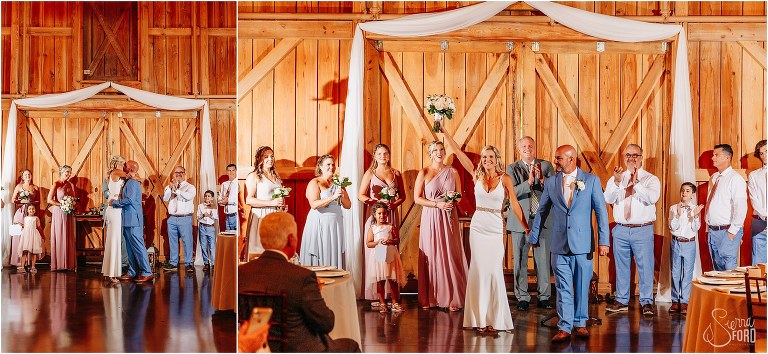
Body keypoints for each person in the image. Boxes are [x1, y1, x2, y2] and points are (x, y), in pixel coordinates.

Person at [442, 130, 527, 332]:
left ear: (497, 159)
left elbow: (514, 204)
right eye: (484, 156)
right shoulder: (476, 174)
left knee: (494, 271)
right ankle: (479, 319)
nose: (487, 159)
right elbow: (457, 151)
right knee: (479, 270)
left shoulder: (505, 178)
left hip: (496, 226)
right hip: (478, 226)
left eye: (491, 156)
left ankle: (494, 319)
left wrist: (525, 227)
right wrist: (444, 131)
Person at [238, 212, 360, 352]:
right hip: (300, 349)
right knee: (351, 346)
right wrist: (317, 295)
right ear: (291, 240)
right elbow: (326, 323)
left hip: (257, 348)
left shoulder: (241, 273)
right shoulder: (302, 277)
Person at [528, 145, 610, 343]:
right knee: (563, 286)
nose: (555, 161)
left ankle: (580, 323)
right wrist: (534, 236)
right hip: (559, 243)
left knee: (582, 285)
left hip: (583, 244)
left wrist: (604, 241)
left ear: (571, 159)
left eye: (558, 158)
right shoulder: (551, 182)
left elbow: (601, 212)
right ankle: (564, 326)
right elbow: (542, 211)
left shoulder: (591, 181)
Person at [603, 144, 661, 316]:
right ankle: (621, 299)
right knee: (621, 266)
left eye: (635, 155)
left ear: (641, 157)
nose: (631, 158)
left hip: (642, 229)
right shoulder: (618, 178)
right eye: (628, 155)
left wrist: (636, 183)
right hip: (620, 229)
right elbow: (608, 198)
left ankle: (646, 302)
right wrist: (615, 181)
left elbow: (651, 198)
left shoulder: (650, 179)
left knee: (645, 267)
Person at [414, 140, 467, 311]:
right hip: (431, 215)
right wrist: (437, 205)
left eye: (441, 149)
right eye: (435, 150)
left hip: (449, 215)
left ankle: (451, 297)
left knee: (449, 254)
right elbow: (417, 198)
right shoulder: (424, 172)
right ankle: (430, 297)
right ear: (430, 153)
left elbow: (459, 197)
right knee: (431, 254)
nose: (439, 152)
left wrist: (452, 197)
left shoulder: (453, 171)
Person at [505, 136, 555, 311]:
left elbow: (554, 189)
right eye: (524, 146)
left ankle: (544, 296)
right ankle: (523, 297)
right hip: (520, 220)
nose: (528, 148)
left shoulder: (546, 166)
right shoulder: (511, 168)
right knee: (520, 260)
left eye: (530, 146)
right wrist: (529, 183)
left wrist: (541, 180)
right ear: (519, 149)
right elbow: (512, 193)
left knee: (543, 260)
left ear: (535, 148)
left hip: (542, 220)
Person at [357, 143, 406, 305]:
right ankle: (376, 295)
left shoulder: (395, 173)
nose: (383, 156)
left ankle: (391, 295)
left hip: (390, 214)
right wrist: (376, 202)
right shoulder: (370, 173)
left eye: (386, 153)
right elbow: (361, 195)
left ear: (389, 155)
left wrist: (393, 204)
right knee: (376, 253)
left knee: (390, 250)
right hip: (375, 215)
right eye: (380, 154)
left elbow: (403, 196)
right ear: (375, 156)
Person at [299, 154, 350, 269]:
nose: (331, 167)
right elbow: (314, 204)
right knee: (320, 254)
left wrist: (341, 196)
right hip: (319, 222)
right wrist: (332, 197)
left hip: (335, 224)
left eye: (333, 164)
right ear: (320, 167)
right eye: (328, 164)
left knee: (333, 252)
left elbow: (348, 205)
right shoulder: (315, 182)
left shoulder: (339, 182)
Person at [705, 144, 747, 271]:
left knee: (729, 269)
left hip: (727, 230)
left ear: (727, 157)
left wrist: (732, 232)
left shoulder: (735, 179)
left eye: (716, 155)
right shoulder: (714, 178)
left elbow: (740, 207)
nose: (713, 158)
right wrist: (708, 228)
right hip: (713, 231)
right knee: (717, 270)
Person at [111, 160, 153, 283]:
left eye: (125, 165)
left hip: (134, 219)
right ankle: (132, 271)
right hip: (127, 218)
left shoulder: (133, 183)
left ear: (130, 169)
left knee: (139, 246)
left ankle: (147, 272)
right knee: (130, 247)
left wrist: (115, 203)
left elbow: (129, 200)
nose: (123, 167)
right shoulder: (129, 180)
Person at [668, 182, 703, 315]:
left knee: (687, 273)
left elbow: (695, 228)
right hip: (676, 242)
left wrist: (694, 216)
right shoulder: (673, 208)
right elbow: (673, 227)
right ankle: (675, 300)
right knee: (675, 272)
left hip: (689, 243)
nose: (684, 193)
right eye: (683, 190)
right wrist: (677, 214)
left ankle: (684, 301)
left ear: (693, 194)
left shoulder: (695, 209)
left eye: (687, 191)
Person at [365, 202, 405, 313]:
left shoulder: (390, 226)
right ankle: (382, 303)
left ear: (387, 214)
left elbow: (397, 240)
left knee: (392, 279)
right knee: (380, 279)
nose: (382, 216)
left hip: (390, 252)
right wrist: (377, 242)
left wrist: (390, 241)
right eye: (379, 214)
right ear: (374, 215)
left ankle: (394, 302)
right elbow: (368, 243)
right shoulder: (373, 228)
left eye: (384, 213)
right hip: (379, 252)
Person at [245, 146, 285, 259]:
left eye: (272, 156)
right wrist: (271, 203)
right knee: (260, 250)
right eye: (266, 156)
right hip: (261, 216)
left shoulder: (276, 176)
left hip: (275, 216)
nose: (270, 159)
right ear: (259, 159)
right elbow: (249, 199)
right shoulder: (253, 176)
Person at [163, 165, 197, 272]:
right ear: (173, 174)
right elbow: (165, 198)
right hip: (172, 218)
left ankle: (188, 263)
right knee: (172, 241)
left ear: (184, 173)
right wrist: (170, 188)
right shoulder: (169, 187)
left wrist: (177, 191)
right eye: (176, 173)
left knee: (187, 241)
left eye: (181, 172)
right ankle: (173, 263)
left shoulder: (190, 187)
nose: (178, 175)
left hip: (185, 218)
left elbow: (188, 197)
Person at [103, 155, 127, 283]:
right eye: (123, 163)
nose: (124, 166)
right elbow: (129, 175)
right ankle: (112, 273)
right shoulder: (116, 172)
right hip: (114, 209)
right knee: (114, 239)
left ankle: (113, 271)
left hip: (117, 208)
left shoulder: (115, 173)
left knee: (116, 239)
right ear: (118, 163)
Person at [48, 165, 77, 271]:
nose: (69, 174)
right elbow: (49, 200)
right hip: (59, 212)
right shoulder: (56, 184)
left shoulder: (71, 185)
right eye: (67, 172)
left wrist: (71, 204)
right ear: (62, 172)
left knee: (68, 236)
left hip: (68, 212)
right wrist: (61, 204)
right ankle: (59, 263)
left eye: (70, 172)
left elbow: (74, 198)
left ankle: (69, 264)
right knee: (60, 235)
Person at [10, 169, 39, 268]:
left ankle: (29, 262)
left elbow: (38, 201)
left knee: (29, 236)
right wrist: (21, 201)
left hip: (30, 213)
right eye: (25, 175)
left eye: (29, 174)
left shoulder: (35, 187)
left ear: (31, 175)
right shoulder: (19, 186)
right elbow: (13, 199)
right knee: (19, 234)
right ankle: (18, 261)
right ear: (22, 177)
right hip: (21, 212)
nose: (27, 176)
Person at [748, 139, 766, 265]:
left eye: (767, 151)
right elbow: (754, 199)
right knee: (759, 265)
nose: (764, 155)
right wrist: (765, 216)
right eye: (761, 153)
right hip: (760, 222)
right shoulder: (753, 175)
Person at [17, 204, 43, 274]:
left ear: (35, 210)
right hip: (26, 236)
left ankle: (33, 267)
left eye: (33, 209)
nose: (31, 210)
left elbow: (39, 227)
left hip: (34, 235)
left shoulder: (36, 218)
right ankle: (22, 266)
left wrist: (42, 236)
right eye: (30, 209)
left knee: (33, 252)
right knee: (24, 251)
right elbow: (25, 226)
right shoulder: (25, 218)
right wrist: (21, 225)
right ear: (27, 210)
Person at [198, 190, 218, 272]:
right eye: (205, 196)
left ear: (212, 198)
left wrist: (209, 214)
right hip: (202, 227)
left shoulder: (214, 206)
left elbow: (215, 218)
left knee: (212, 247)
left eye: (209, 196)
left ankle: (213, 264)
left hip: (210, 228)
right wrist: (203, 215)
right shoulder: (200, 206)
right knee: (203, 246)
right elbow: (198, 217)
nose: (207, 197)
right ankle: (206, 263)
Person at [219, 163, 239, 232]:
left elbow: (239, 199)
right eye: (229, 170)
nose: (231, 172)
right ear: (227, 172)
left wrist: (228, 201)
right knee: (228, 237)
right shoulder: (224, 184)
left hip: (236, 215)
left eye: (233, 170)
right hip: (227, 215)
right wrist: (221, 201)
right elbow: (220, 197)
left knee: (236, 237)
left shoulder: (238, 183)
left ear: (236, 171)